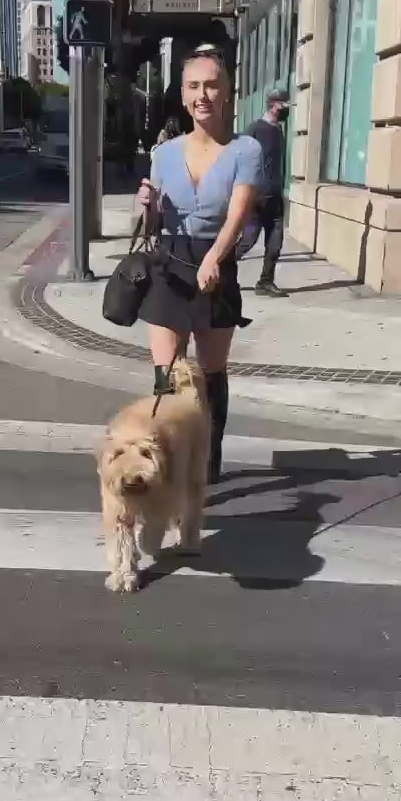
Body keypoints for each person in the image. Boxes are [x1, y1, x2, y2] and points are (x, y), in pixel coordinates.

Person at [136, 45, 263, 484]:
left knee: (210, 375)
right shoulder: (164, 153)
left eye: (211, 84)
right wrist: (148, 205)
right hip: (170, 265)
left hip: (215, 264)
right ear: (183, 95)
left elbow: (239, 213)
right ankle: (168, 461)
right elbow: (154, 223)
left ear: (227, 92)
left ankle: (208, 460)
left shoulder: (245, 149)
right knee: (166, 376)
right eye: (194, 86)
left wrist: (214, 258)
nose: (202, 94)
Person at [244, 89, 290, 298]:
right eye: (285, 104)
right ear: (274, 105)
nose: (287, 109)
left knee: (275, 242)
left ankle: (265, 281)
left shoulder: (279, 131)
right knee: (246, 241)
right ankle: (215, 269)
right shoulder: (254, 129)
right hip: (256, 200)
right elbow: (240, 161)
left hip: (275, 199)